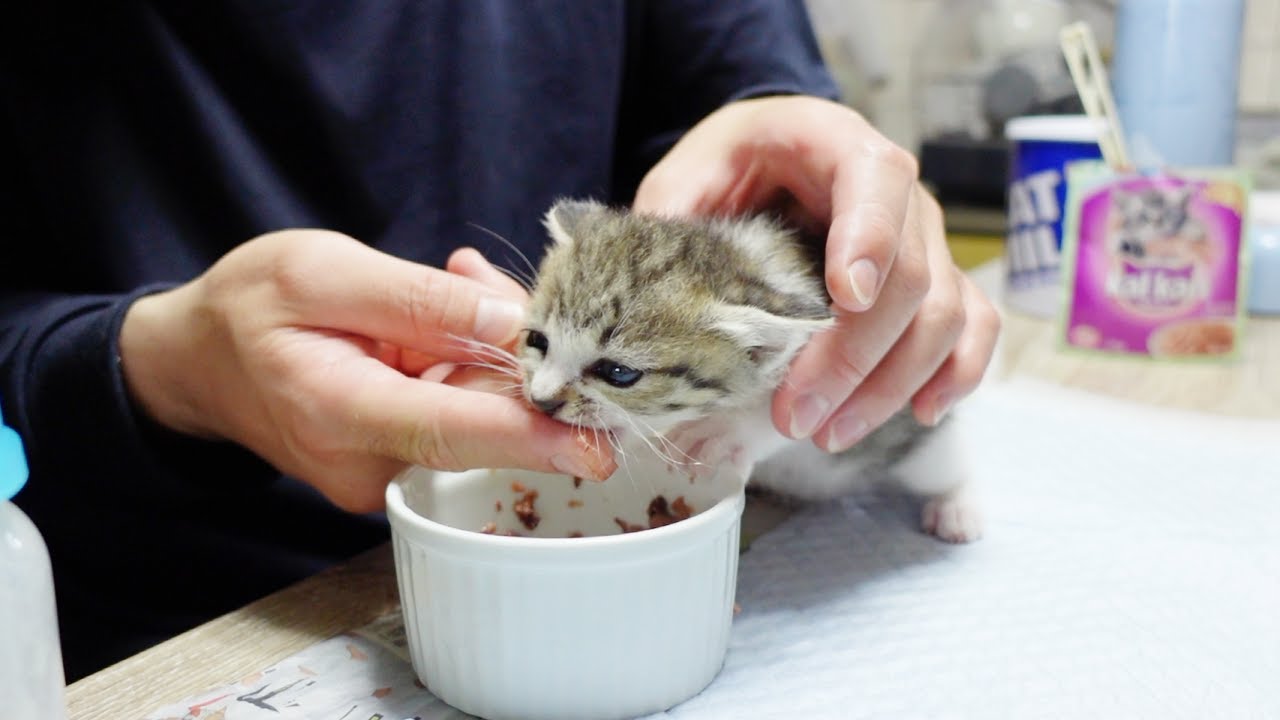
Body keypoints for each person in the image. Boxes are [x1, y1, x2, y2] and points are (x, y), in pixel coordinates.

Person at [0, 1, 999, 681]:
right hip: (150, 615)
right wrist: (157, 365)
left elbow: (741, 59)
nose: (548, 392)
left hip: (682, 558)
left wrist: (794, 123)